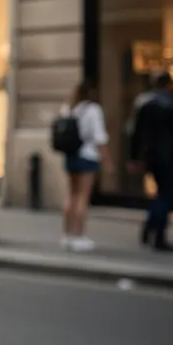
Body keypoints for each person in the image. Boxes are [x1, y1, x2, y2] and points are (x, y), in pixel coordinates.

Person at [130, 71, 173, 252]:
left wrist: (134, 156)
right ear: (168, 84)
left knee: (160, 192)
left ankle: (152, 225)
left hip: (150, 154)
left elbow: (136, 132)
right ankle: (157, 233)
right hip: (169, 154)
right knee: (166, 194)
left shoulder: (144, 102)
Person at [59, 82, 111, 253]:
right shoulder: (93, 110)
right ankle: (79, 236)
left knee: (71, 196)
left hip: (71, 156)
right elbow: (99, 138)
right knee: (83, 197)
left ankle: (67, 234)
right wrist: (107, 161)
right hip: (88, 156)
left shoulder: (70, 108)